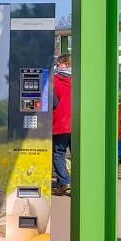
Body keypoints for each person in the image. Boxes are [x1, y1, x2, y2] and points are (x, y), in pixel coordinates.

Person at [52, 54, 72, 195]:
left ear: (65, 64)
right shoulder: (80, 79)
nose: (56, 66)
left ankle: (64, 182)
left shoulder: (55, 80)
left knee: (59, 153)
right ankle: (79, 184)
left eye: (58, 64)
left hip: (60, 122)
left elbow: (53, 102)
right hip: (77, 122)